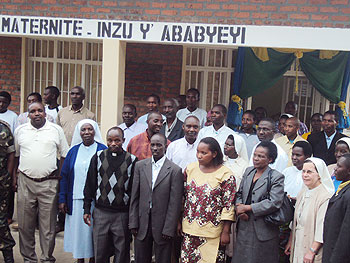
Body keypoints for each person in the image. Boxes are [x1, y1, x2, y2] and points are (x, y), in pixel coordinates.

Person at [13, 102, 69, 262]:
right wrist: (15, 178)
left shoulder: (55, 129)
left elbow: (64, 154)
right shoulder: (20, 131)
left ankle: (46, 258)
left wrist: (59, 176)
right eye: (32, 111)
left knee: (48, 226)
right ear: (28, 114)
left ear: (45, 113)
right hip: (26, 182)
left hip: (49, 182)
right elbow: (16, 155)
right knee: (25, 225)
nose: (36, 113)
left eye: (39, 111)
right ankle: (29, 258)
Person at [84, 127, 137, 263]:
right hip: (101, 212)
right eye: (110, 140)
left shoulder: (132, 160)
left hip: (122, 214)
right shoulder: (98, 157)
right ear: (106, 141)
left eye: (117, 140)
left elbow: (133, 191)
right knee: (100, 250)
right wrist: (86, 209)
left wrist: (132, 216)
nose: (113, 143)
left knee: (122, 250)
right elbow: (90, 185)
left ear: (123, 141)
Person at [179, 137, 235, 263]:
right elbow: (182, 197)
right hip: (189, 231)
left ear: (214, 154)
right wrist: (178, 221)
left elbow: (229, 205)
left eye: (204, 153)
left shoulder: (226, 175)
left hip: (213, 233)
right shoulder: (190, 169)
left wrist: (226, 231)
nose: (199, 156)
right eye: (198, 152)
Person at [129, 133, 183, 263]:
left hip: (163, 225)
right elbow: (134, 197)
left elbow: (174, 202)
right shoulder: (140, 166)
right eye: (152, 145)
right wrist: (133, 222)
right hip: (142, 223)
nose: (155, 148)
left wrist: (169, 228)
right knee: (141, 258)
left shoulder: (174, 170)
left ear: (165, 147)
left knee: (163, 259)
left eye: (159, 145)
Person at [59, 119, 107, 262]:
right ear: (79, 133)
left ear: (95, 131)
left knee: (93, 232)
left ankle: (93, 258)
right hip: (75, 199)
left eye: (90, 129)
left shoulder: (102, 149)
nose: (87, 133)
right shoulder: (73, 151)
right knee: (79, 233)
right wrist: (62, 199)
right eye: (83, 130)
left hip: (96, 200)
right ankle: (80, 259)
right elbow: (65, 176)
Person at [233, 141, 285, 263]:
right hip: (244, 225)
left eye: (261, 156)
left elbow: (274, 201)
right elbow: (239, 193)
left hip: (263, 228)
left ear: (270, 159)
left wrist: (248, 208)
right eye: (255, 155)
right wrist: (240, 210)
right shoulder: (249, 171)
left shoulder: (276, 177)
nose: (256, 159)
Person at [285, 157, 334, 263]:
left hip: (312, 245)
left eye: (309, 172)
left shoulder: (324, 196)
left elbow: (322, 228)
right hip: (298, 241)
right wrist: (291, 241)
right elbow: (296, 222)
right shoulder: (303, 191)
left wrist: (312, 251)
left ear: (319, 174)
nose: (305, 175)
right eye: (303, 171)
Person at [223, 134, 248, 261]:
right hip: (217, 206)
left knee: (231, 245)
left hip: (233, 207)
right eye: (225, 144)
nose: (225, 147)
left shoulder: (245, 165)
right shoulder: (221, 161)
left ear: (237, 147)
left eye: (229, 144)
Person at [323, 154, 350, 263]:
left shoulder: (348, 195)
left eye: (339, 166)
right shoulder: (343, 188)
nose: (335, 168)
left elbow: (346, 232)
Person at [0, 120, 16, 263]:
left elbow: (11, 154)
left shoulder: (4, 129)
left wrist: (8, 176)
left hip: (1, 184)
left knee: (1, 222)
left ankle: (8, 255)